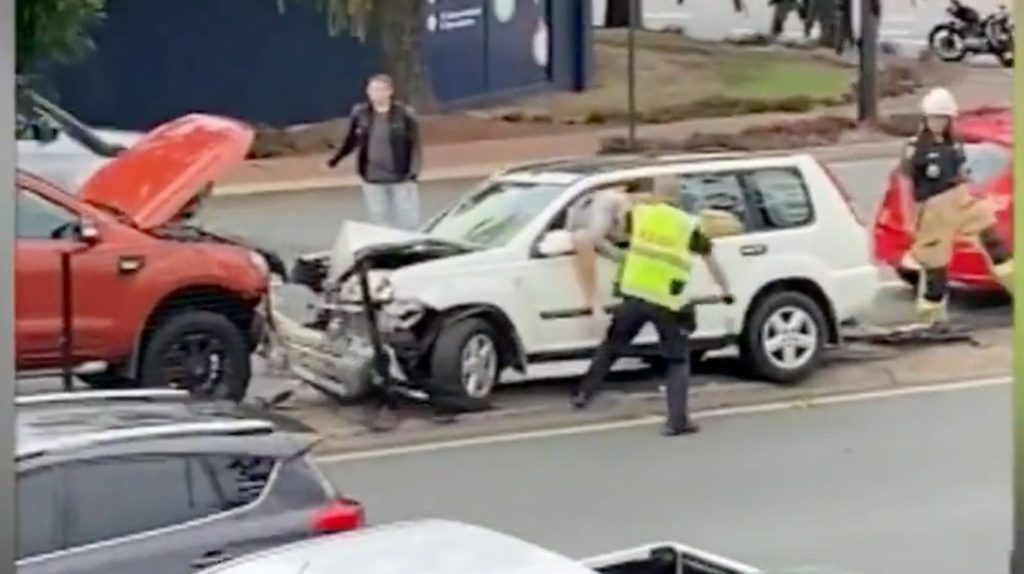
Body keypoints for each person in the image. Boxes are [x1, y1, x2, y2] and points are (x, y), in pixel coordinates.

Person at [569, 176, 733, 437]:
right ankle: (677, 421)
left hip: (634, 294)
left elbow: (618, 234)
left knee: (612, 346)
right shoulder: (687, 225)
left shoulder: (640, 216)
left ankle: (582, 394)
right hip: (667, 302)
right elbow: (711, 260)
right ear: (677, 196)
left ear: (655, 194)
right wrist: (726, 290)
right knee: (677, 360)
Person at [903, 87, 1013, 327]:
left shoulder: (955, 145)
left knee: (993, 238)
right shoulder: (916, 148)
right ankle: (931, 321)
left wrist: (967, 180)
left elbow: (962, 171)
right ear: (925, 119)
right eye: (934, 118)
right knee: (936, 269)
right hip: (934, 208)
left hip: (960, 198)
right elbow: (909, 180)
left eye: (943, 118)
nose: (938, 123)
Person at [326, 74, 422, 231]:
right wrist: (335, 160)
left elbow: (415, 146)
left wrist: (413, 174)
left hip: (401, 177)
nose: (375, 94)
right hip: (372, 177)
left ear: (389, 91)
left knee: (408, 221)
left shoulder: (404, 114)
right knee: (379, 221)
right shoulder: (360, 114)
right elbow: (351, 141)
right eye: (372, 90)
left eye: (379, 90)